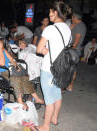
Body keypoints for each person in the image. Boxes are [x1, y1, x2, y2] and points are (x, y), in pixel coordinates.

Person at [32, 2, 71, 131]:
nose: (49, 15)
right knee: (57, 95)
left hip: (49, 68)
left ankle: (45, 127)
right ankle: (54, 118)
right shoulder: (67, 29)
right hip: (61, 68)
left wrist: (44, 50)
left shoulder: (50, 29)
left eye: (50, 12)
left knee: (49, 99)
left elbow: (38, 49)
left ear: (56, 12)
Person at [0, 39, 44, 110]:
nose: (2, 45)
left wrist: (16, 65)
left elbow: (11, 59)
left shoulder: (3, 50)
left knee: (24, 77)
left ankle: (36, 98)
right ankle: (20, 101)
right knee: (17, 79)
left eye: (2, 44)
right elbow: (2, 64)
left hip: (9, 70)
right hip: (0, 74)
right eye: (0, 44)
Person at [66, 12, 87, 92]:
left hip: (74, 50)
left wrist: (71, 48)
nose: (71, 19)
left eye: (72, 17)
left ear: (75, 18)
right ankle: (69, 86)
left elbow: (76, 41)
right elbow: (69, 31)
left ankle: (69, 86)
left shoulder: (79, 26)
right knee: (72, 69)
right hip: (75, 50)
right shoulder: (80, 24)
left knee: (71, 69)